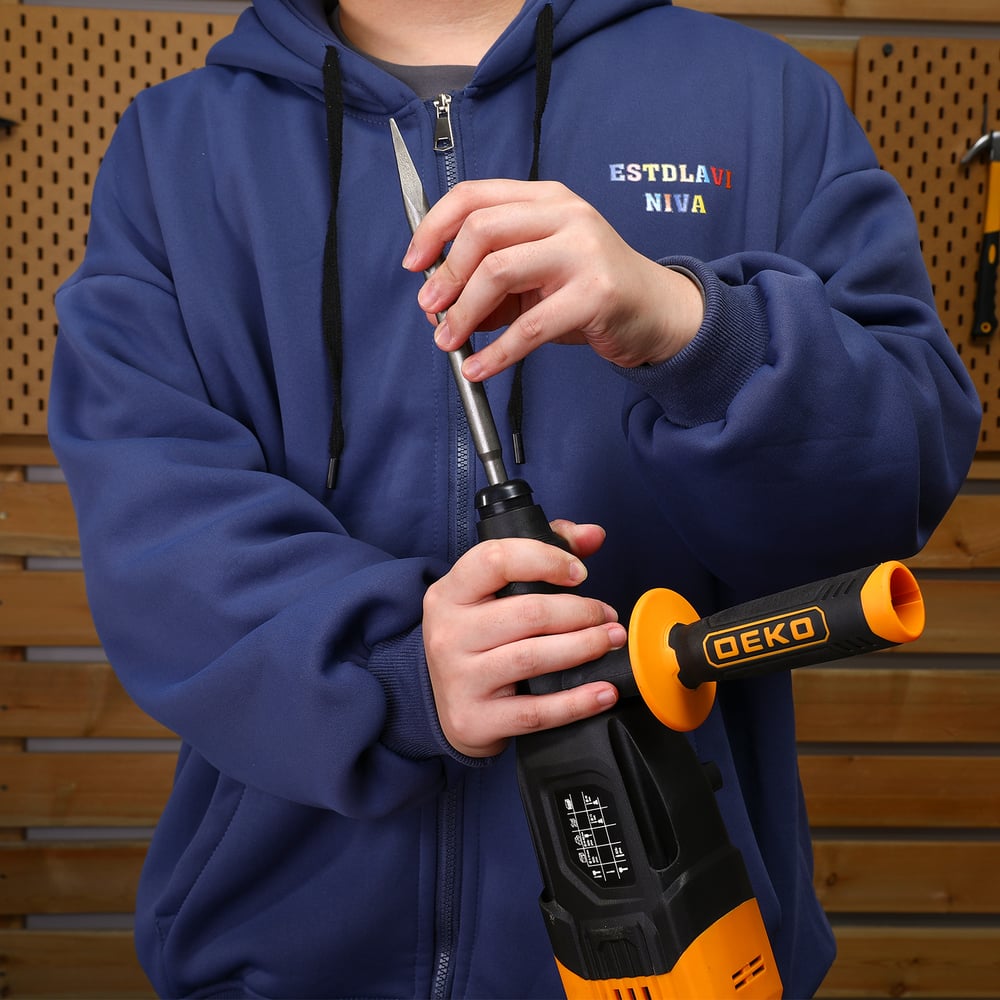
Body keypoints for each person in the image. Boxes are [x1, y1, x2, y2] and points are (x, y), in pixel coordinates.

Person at [49, 0, 981, 996]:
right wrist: (394, 671)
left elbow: (892, 480)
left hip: (685, 953)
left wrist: (691, 328)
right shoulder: (178, 143)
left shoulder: (765, 99)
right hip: (278, 958)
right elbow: (151, 515)